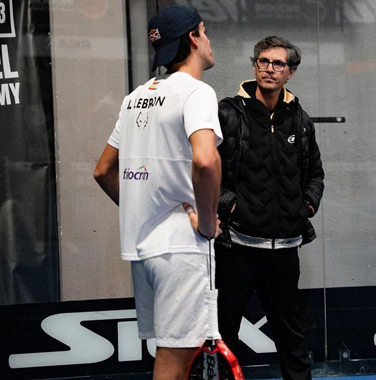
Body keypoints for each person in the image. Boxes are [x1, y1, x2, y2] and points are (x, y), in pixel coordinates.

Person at [93, 5, 221, 380]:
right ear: (194, 38)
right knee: (174, 358)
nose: (210, 41)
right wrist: (208, 223)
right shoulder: (197, 92)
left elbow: (103, 171)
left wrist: (139, 204)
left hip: (144, 249)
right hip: (181, 246)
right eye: (206, 32)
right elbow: (206, 162)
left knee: (173, 353)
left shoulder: (135, 97)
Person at [215, 36, 324, 380]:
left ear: (290, 72)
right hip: (237, 246)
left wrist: (305, 204)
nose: (269, 68)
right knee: (223, 334)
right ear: (254, 65)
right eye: (263, 61)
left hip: (285, 248)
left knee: (290, 335)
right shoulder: (228, 113)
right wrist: (229, 206)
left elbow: (316, 174)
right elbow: (202, 169)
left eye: (278, 64)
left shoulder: (301, 120)